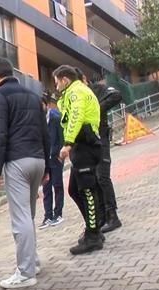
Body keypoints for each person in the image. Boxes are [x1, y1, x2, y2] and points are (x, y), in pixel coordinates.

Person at [0, 57, 50, 289]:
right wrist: (48, 168)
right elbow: (45, 133)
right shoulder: (33, 96)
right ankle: (32, 263)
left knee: (20, 218)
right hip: (38, 161)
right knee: (29, 216)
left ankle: (25, 273)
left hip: (17, 162)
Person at [54, 65, 105, 255]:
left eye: (57, 81)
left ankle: (93, 235)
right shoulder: (74, 92)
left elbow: (76, 116)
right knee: (74, 190)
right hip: (82, 146)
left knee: (87, 191)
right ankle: (93, 228)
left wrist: (68, 143)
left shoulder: (76, 93)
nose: (56, 85)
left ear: (64, 80)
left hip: (85, 145)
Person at [88, 79, 123, 233]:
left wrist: (97, 108)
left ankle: (112, 215)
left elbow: (116, 95)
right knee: (95, 179)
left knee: (103, 176)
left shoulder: (96, 89)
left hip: (101, 138)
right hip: (90, 142)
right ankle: (102, 217)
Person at [39, 93, 65, 229]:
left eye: (41, 105)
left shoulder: (56, 118)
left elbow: (62, 137)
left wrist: (61, 155)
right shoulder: (38, 121)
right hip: (44, 160)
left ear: (47, 105)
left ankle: (58, 213)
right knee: (46, 188)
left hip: (55, 157)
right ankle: (47, 216)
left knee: (57, 185)